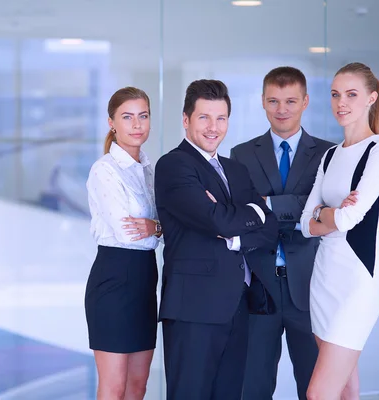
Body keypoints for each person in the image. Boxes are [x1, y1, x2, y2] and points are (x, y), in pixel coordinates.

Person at [154, 79, 279, 399]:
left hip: (237, 304)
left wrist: (240, 230)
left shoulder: (235, 170)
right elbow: (215, 219)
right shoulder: (173, 165)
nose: (213, 127)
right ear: (186, 120)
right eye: (204, 117)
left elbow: (269, 228)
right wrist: (251, 212)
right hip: (194, 308)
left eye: (221, 118)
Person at [230, 66, 334, 400]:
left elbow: (327, 210)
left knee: (315, 385)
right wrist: (302, 209)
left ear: (305, 101)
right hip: (259, 285)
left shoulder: (328, 154)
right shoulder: (242, 154)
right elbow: (245, 213)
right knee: (252, 385)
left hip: (311, 284)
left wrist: (270, 204)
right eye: (273, 101)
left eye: (290, 101)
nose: (282, 109)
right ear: (262, 102)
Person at [300, 62, 379, 400]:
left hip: (357, 283)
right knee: (346, 388)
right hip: (324, 278)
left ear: (372, 98)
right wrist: (331, 212)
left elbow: (348, 220)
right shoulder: (329, 156)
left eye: (351, 94)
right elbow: (304, 224)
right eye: (335, 94)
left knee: (318, 393)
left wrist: (323, 214)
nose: (341, 102)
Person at [84, 86, 162, 400]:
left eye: (143, 116)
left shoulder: (149, 169)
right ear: (112, 122)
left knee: (138, 385)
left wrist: (155, 227)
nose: (137, 124)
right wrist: (159, 228)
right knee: (114, 387)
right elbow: (127, 231)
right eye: (127, 117)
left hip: (145, 278)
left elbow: (163, 226)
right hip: (114, 278)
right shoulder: (104, 170)